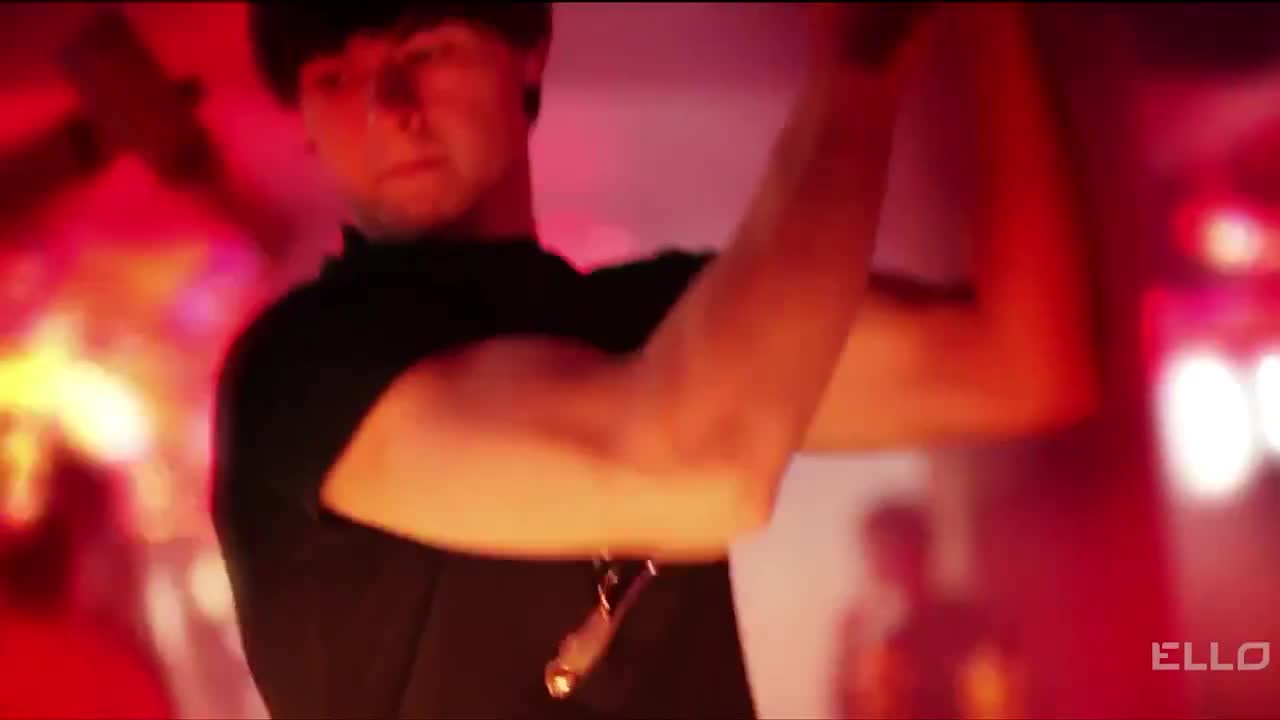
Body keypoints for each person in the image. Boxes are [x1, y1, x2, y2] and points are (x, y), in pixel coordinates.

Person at [212, 2, 1095, 718]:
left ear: (528, 50)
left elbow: (1024, 360)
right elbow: (701, 471)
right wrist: (858, 73)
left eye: (426, 50)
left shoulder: (654, 322)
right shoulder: (301, 369)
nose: (388, 107)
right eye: (333, 79)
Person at [836, 502, 1025, 719]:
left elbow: (1001, 689)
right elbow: (845, 704)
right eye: (875, 552)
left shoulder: (965, 619)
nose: (881, 564)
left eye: (893, 550)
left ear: (923, 550)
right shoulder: (858, 628)